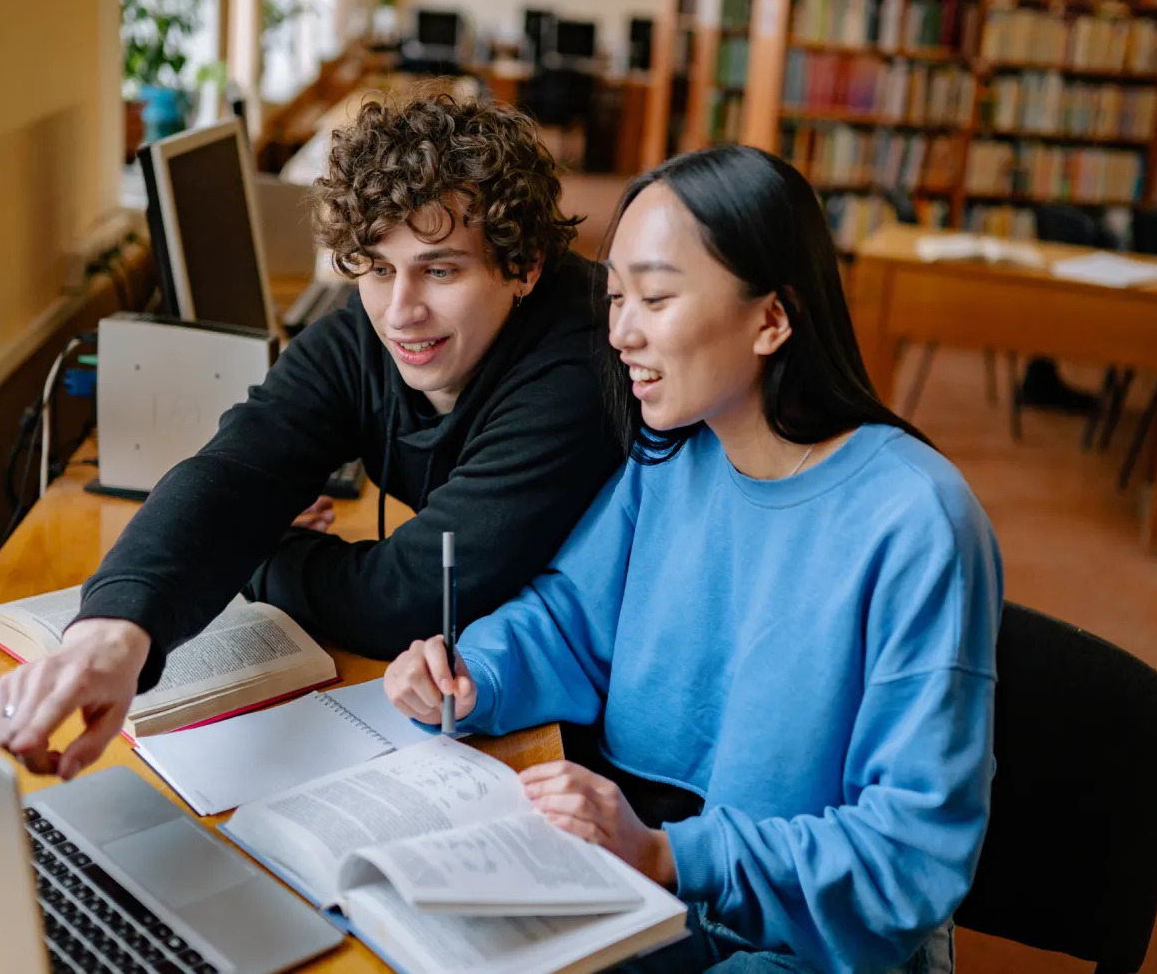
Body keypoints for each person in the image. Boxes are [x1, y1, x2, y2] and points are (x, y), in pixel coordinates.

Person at [385, 145, 1002, 974]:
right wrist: (472, 671)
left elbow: (908, 854)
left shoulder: (917, 520)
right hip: (662, 887)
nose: (620, 332)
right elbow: (570, 618)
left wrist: (671, 856)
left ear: (772, 318)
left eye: (657, 297)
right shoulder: (671, 452)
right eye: (614, 298)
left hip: (812, 944)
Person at [0, 94, 622, 780]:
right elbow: (239, 466)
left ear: (523, 264)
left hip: (589, 738)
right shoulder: (368, 327)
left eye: (440, 269)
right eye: (378, 267)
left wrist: (267, 549)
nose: (401, 312)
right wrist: (112, 631)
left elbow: (407, 597)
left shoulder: (582, 360)